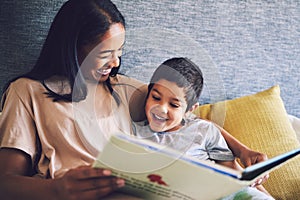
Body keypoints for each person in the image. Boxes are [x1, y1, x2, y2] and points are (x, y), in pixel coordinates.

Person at [0, 0, 268, 199]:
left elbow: (188, 121)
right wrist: (56, 189)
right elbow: (5, 182)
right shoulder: (27, 92)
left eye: (120, 51)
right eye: (106, 54)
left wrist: (244, 151)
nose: (116, 62)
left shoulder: (123, 88)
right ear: (74, 47)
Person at [133, 57, 273, 199]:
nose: (161, 109)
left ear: (190, 110)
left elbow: (233, 171)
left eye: (174, 105)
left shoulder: (203, 130)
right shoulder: (133, 134)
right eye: (156, 97)